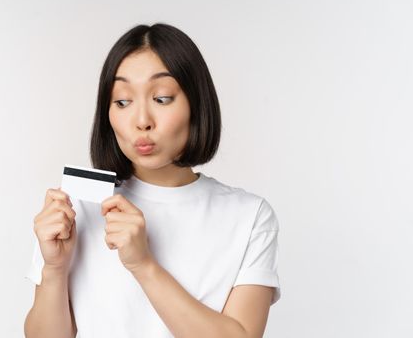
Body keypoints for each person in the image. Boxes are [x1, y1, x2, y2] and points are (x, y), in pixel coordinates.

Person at [24, 22, 281, 338]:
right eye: (122, 101)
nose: (142, 121)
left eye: (161, 98)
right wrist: (54, 269)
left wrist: (143, 265)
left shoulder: (249, 217)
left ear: (195, 105)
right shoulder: (78, 204)